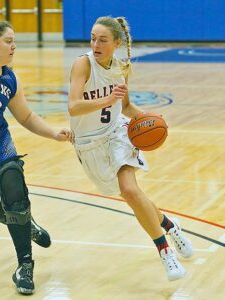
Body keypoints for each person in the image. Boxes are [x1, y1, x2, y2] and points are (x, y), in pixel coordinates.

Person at [68, 16, 194, 281]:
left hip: (116, 132)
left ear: (115, 43)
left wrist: (151, 119)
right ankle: (169, 225)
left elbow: (124, 107)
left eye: (102, 40)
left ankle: (165, 253)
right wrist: (107, 98)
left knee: (129, 189)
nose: (96, 44)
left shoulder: (120, 68)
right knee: (131, 196)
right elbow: (74, 106)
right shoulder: (83, 64)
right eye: (93, 38)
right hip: (89, 144)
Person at [0, 20, 74, 295]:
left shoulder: (10, 79)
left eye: (14, 41)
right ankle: (30, 226)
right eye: (8, 41)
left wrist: (53, 133)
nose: (14, 46)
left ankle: (24, 266)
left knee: (15, 191)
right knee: (4, 213)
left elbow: (25, 116)